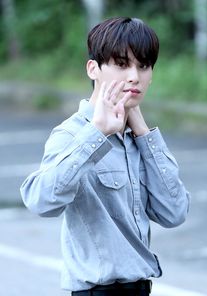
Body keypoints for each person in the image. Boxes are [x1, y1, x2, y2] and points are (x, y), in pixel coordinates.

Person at [20, 17, 190, 296]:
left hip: (141, 289)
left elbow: (174, 212)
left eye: (143, 66)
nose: (134, 76)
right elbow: (40, 201)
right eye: (122, 64)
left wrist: (145, 135)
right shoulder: (71, 134)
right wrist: (97, 132)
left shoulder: (139, 138)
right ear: (93, 69)